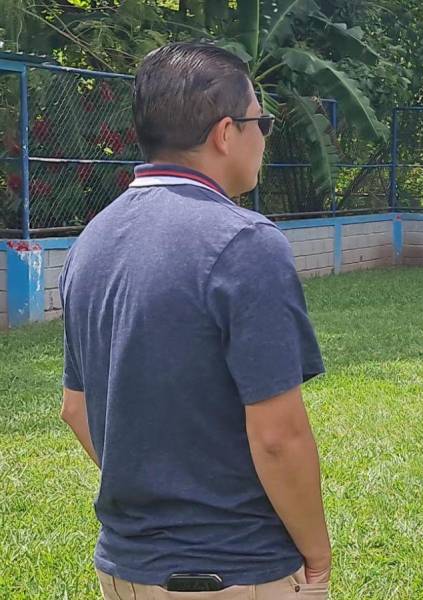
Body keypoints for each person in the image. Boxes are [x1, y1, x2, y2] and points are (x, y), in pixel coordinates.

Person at [59, 42, 331, 599]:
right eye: (263, 122)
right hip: (234, 570)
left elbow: (75, 408)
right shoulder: (247, 243)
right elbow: (277, 436)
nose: (264, 137)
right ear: (225, 133)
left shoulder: (91, 240)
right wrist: (318, 556)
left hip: (124, 569)